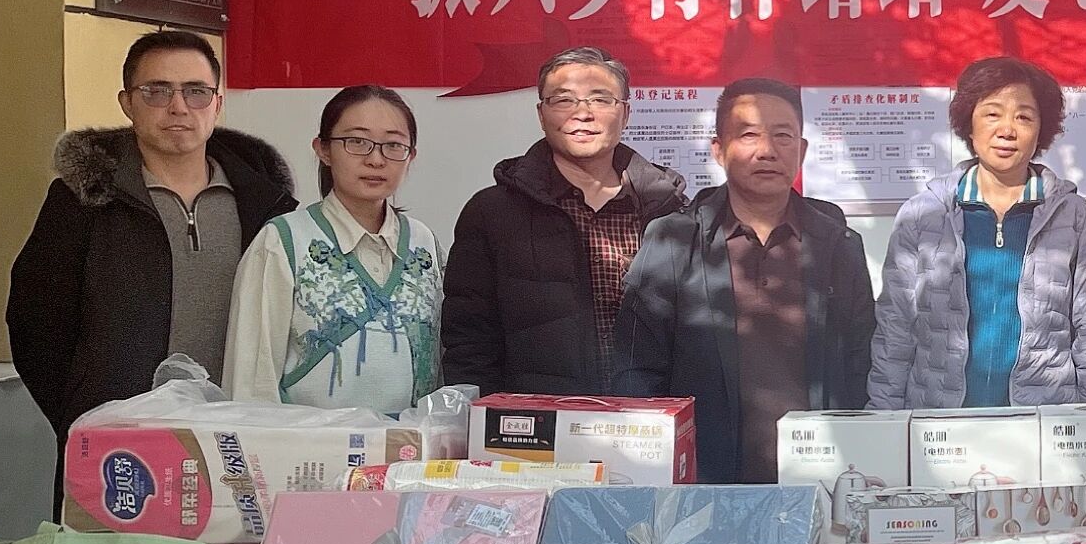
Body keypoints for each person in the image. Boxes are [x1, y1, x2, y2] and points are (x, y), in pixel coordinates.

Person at [7, 28, 295, 439]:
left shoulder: (265, 206)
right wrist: (84, 414)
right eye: (157, 91)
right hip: (119, 441)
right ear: (127, 103)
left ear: (217, 104)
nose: (178, 107)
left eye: (196, 92)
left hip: (242, 434)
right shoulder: (84, 201)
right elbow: (36, 323)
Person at [612, 77, 876, 483]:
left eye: (783, 135)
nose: (767, 150)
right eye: (748, 134)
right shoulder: (673, 240)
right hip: (704, 477)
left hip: (817, 474)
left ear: (802, 150)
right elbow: (637, 367)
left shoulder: (838, 245)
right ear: (718, 149)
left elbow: (862, 361)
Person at [868, 56, 1086, 409]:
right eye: (992, 114)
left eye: (1024, 117)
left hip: (1042, 418)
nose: (1007, 130)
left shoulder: (1074, 217)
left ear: (1041, 131)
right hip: (940, 420)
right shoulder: (923, 214)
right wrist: (884, 418)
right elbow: (896, 327)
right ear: (969, 124)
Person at [441, 47, 691, 396]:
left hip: (649, 418)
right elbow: (469, 341)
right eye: (563, 100)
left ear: (625, 113)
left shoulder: (671, 211)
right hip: (538, 420)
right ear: (541, 114)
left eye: (600, 100)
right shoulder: (492, 213)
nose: (583, 114)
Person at [223, 87, 445, 412]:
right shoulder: (284, 241)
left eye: (393, 145)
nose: (375, 159)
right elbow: (251, 380)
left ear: (410, 156)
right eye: (357, 141)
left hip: (409, 442)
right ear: (324, 150)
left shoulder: (423, 243)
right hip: (310, 443)